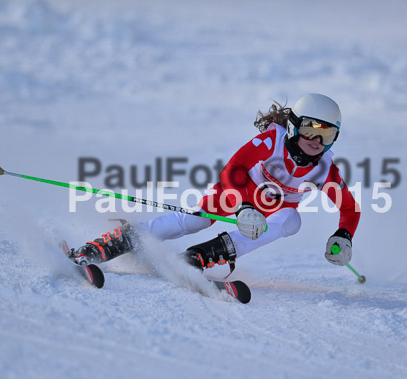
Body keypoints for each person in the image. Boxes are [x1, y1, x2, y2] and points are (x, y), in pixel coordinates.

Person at [69, 93, 360, 275]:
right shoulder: (271, 141)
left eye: (327, 134)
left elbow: (349, 208)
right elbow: (233, 169)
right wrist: (244, 206)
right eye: (311, 129)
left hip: (273, 211)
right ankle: (111, 244)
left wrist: (344, 235)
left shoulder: (324, 169)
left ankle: (197, 258)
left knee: (291, 220)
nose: (317, 141)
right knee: (195, 220)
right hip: (236, 194)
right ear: (295, 126)